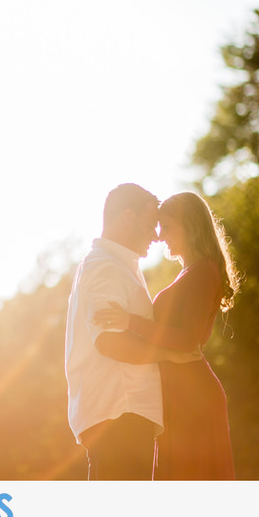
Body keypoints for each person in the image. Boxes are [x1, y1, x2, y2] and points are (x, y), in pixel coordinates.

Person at [93, 192, 238, 479]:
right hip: (178, 391)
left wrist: (131, 321)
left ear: (191, 227)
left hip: (192, 394)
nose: (160, 236)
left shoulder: (203, 272)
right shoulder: (191, 272)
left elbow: (187, 340)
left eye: (168, 227)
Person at [65, 183, 199, 480]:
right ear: (127, 217)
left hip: (121, 414)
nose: (156, 235)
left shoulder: (118, 265)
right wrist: (171, 355)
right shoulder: (106, 267)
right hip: (119, 413)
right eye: (151, 225)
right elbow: (111, 342)